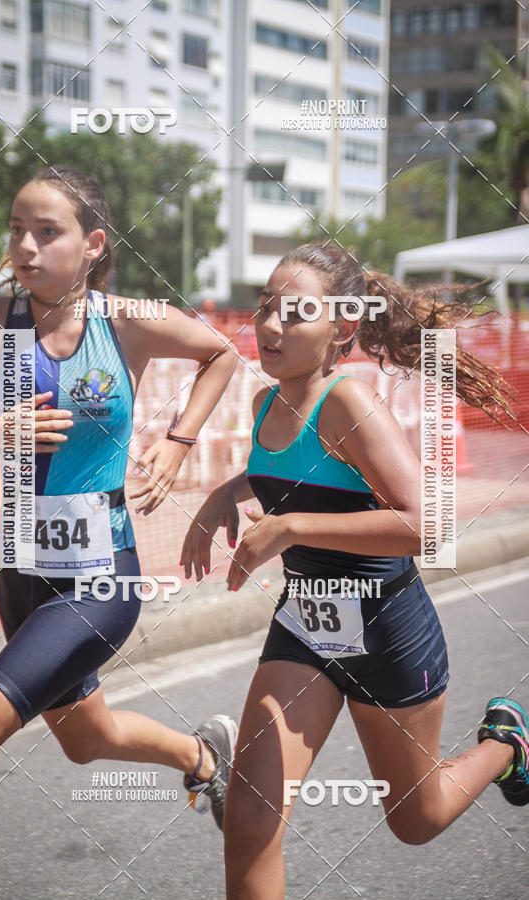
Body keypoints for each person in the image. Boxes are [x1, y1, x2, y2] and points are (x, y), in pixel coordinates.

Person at [179, 242, 529, 899]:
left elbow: (429, 526)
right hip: (308, 629)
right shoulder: (266, 405)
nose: (271, 325)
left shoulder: (351, 403)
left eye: (295, 312)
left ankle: (509, 744)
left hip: (388, 635)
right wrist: (225, 496)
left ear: (341, 329)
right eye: (265, 308)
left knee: (417, 819)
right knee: (250, 819)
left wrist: (292, 527)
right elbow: (290, 474)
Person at [0, 166, 239, 900]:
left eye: (47, 231)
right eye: (16, 230)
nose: (24, 247)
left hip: (103, 575)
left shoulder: (124, 320)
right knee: (85, 737)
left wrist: (179, 440)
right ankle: (205, 758)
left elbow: (222, 354)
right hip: (22, 573)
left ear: (93, 243)